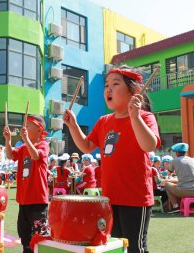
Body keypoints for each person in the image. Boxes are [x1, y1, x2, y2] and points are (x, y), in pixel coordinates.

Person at [63, 66, 160, 253]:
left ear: (134, 91)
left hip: (136, 197)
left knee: (136, 248)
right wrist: (73, 125)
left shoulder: (145, 117)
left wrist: (135, 117)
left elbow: (149, 145)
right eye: (106, 85)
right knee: (115, 245)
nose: (108, 89)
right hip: (109, 197)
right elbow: (86, 147)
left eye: (116, 84)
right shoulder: (104, 121)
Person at [3, 114, 49, 253]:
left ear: (39, 130)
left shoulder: (43, 145)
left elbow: (35, 155)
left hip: (37, 199)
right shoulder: (23, 147)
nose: (24, 128)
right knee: (24, 233)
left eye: (28, 126)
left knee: (40, 235)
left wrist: (26, 139)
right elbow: (10, 155)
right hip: (23, 199)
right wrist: (8, 140)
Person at [164, 143, 194, 213]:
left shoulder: (174, 161)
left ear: (176, 153)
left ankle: (175, 206)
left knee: (167, 184)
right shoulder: (192, 160)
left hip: (181, 191)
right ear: (186, 152)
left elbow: (169, 173)